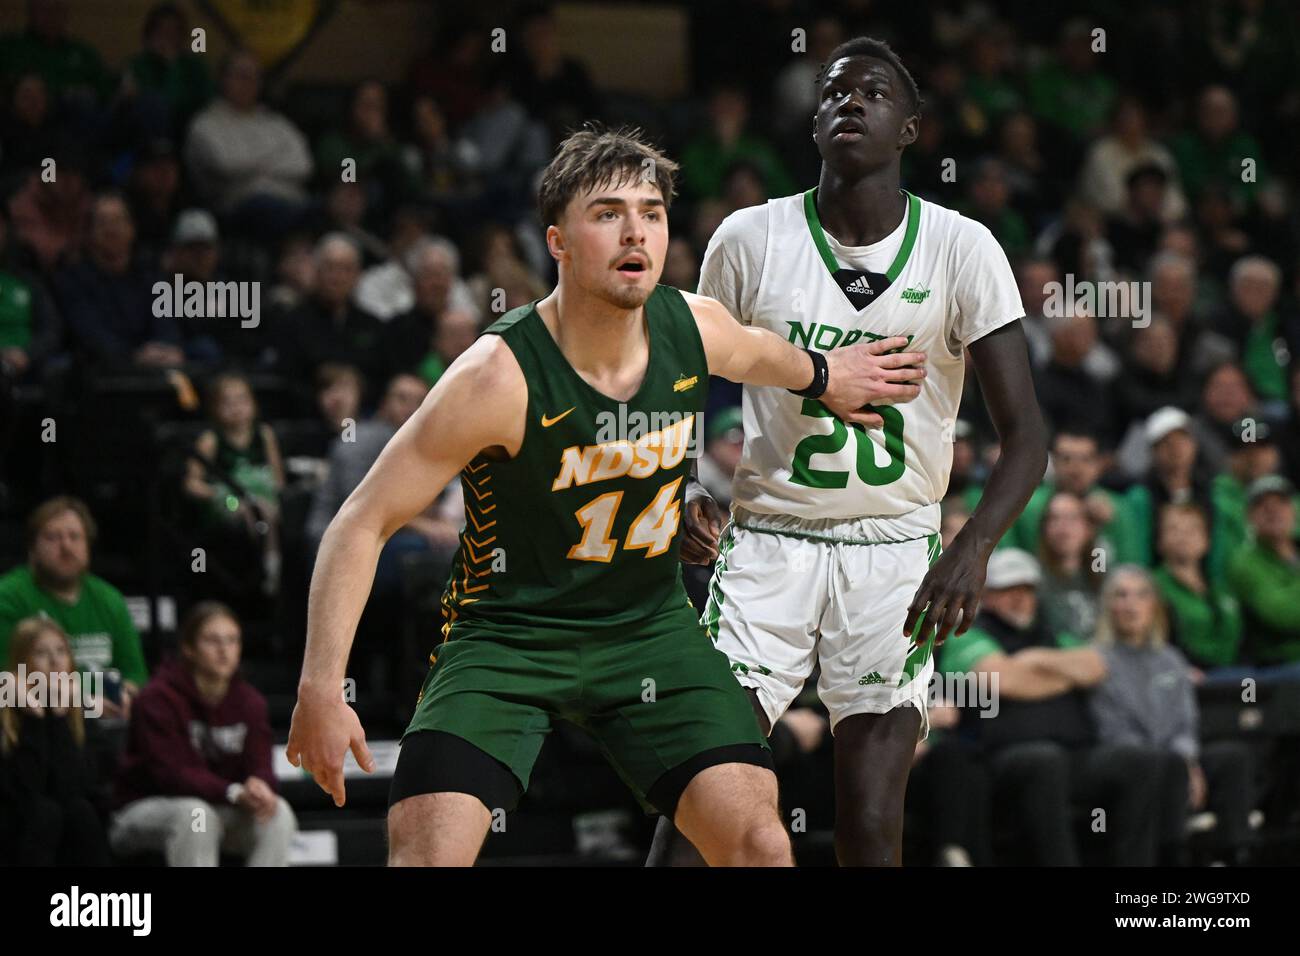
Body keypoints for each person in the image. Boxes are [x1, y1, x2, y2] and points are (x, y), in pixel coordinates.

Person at [286, 126, 925, 867]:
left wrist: (826, 373)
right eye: (608, 213)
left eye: (651, 213)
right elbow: (361, 522)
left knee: (759, 842)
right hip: (508, 637)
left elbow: (763, 354)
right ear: (557, 242)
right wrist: (320, 687)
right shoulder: (496, 375)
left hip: (648, 627)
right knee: (425, 858)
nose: (637, 232)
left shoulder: (692, 324)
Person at [656, 36, 1049, 867]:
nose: (850, 103)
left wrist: (972, 547)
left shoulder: (962, 246)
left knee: (871, 822)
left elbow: (1028, 436)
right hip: (768, 543)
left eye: (874, 94)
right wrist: (684, 479)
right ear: (813, 119)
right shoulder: (750, 237)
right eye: (835, 92)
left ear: (910, 128)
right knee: (701, 794)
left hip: (896, 551)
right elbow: (679, 374)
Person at [938, 549, 1161, 865]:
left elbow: (1096, 666)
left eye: (1027, 590)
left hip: (1075, 752)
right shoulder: (967, 634)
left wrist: (1034, 661)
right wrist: (1061, 676)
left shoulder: (1051, 633)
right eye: (1008, 591)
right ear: (986, 596)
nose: (1020, 599)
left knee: (1138, 761)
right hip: (1002, 759)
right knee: (1044, 760)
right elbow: (1003, 679)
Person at [1090, 566, 1255, 865]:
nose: (1131, 605)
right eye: (1121, 595)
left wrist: (1188, 760)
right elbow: (1113, 732)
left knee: (1232, 757)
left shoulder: (1171, 659)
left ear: (1154, 605)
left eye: (1141, 595)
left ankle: (1234, 853)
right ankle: (1173, 857)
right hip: (1131, 761)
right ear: (1108, 607)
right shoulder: (1096, 661)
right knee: (1162, 765)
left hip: (1175, 757)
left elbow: (1186, 722)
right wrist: (1177, 763)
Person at [110, 602, 295, 866]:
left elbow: (261, 764)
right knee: (197, 816)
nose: (224, 651)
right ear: (188, 648)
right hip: (144, 809)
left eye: (232, 641)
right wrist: (232, 791)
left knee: (279, 813)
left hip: (219, 805)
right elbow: (173, 775)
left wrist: (260, 784)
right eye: (213, 641)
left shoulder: (249, 701)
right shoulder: (157, 698)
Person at [0, 496, 148, 710]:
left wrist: (123, 695)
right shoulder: (9, 596)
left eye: (75, 537)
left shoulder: (110, 599)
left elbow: (135, 674)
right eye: (53, 537)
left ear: (88, 546)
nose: (66, 546)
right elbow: (6, 679)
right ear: (32, 549)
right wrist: (87, 699)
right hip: (37, 720)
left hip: (105, 723)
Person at [0, 616, 110, 866]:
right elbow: (26, 791)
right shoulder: (5, 712)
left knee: (79, 811)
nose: (55, 661)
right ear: (21, 665)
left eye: (61, 651)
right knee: (44, 813)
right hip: (16, 824)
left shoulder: (79, 712)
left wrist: (60, 716)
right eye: (41, 653)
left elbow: (75, 789)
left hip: (67, 822)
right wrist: (34, 718)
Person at [182, 372, 285, 596]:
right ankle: (259, 571)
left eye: (242, 399)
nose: (236, 407)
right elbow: (191, 483)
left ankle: (273, 568)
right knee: (249, 510)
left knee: (268, 510)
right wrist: (218, 494)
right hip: (226, 501)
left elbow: (278, 480)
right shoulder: (210, 440)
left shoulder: (264, 435)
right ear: (215, 408)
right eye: (227, 402)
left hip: (263, 498)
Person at [1228, 476, 1300, 669]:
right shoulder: (1244, 562)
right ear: (1249, 517)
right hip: (1280, 664)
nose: (1273, 511)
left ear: (1294, 509)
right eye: (1263, 506)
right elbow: (1281, 614)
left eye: (1281, 503)